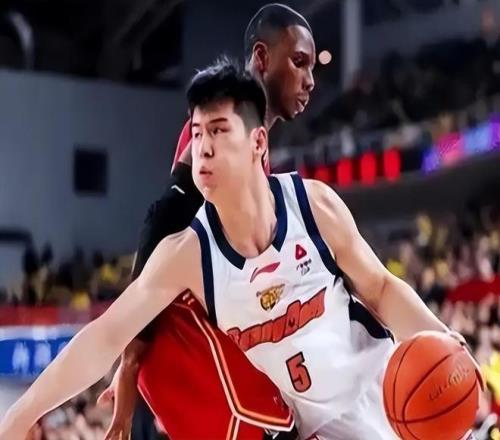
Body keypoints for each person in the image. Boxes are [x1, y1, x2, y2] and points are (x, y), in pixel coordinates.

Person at [0, 59, 480, 440]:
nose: (203, 148)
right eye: (197, 133)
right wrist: (20, 414)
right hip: (318, 430)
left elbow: (381, 288)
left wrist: (442, 339)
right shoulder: (188, 254)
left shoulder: (313, 205)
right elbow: (104, 337)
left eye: (218, 130)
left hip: (392, 393)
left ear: (257, 142)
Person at [99, 4, 315, 439]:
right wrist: (129, 367)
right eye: (299, 62)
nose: (310, 80)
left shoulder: (252, 148)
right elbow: (162, 221)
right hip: (180, 342)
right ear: (261, 57)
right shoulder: (216, 134)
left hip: (203, 343)